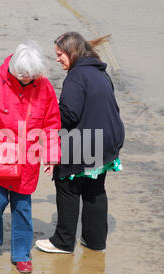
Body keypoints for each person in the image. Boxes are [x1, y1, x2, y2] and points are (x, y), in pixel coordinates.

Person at [0, 41, 61, 273]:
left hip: (27, 161)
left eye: (31, 78)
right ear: (13, 70)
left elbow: (51, 123)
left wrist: (50, 155)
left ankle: (21, 254)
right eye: (23, 78)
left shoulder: (44, 86)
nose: (27, 81)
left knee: (22, 209)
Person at [35, 32, 125, 254]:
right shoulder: (101, 73)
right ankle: (95, 242)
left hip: (89, 141)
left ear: (72, 52)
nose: (57, 59)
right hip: (109, 139)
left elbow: (68, 116)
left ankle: (63, 242)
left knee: (66, 182)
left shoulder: (76, 76)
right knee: (94, 189)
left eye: (60, 54)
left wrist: (47, 112)